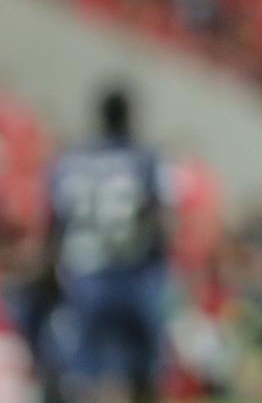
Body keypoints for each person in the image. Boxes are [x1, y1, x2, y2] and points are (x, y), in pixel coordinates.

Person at [47, 87, 172, 403]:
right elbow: (159, 219)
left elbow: (56, 219)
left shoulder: (70, 161)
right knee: (144, 373)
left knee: (84, 373)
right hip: (135, 276)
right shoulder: (145, 159)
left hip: (85, 276)